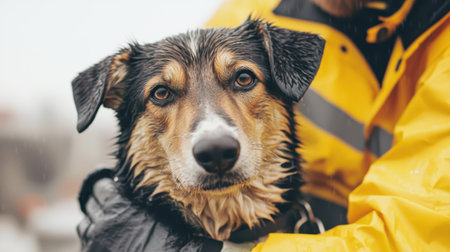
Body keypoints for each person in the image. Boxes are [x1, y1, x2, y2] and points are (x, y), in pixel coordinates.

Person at [77, 0, 450, 251]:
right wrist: (125, 192)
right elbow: (153, 132)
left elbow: (424, 228)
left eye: (241, 80)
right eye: (163, 94)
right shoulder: (246, 18)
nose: (213, 129)